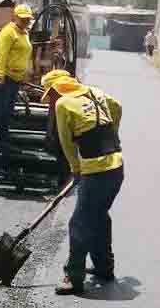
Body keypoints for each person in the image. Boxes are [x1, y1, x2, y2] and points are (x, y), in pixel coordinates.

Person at [40, 70, 124, 295]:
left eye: (49, 95)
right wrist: (112, 132)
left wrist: (75, 168)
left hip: (96, 172)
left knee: (79, 223)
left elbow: (67, 143)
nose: (50, 101)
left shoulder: (63, 104)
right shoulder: (95, 92)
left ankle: (73, 277)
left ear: (56, 90)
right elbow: (117, 106)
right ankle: (104, 267)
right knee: (98, 216)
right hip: (116, 168)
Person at [0, 4, 34, 167]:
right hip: (4, 77)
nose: (25, 21)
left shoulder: (24, 33)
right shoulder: (8, 32)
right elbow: (1, 55)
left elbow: (24, 55)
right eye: (22, 18)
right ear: (15, 17)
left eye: (27, 19)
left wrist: (25, 75)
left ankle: (3, 142)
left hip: (15, 78)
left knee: (7, 112)